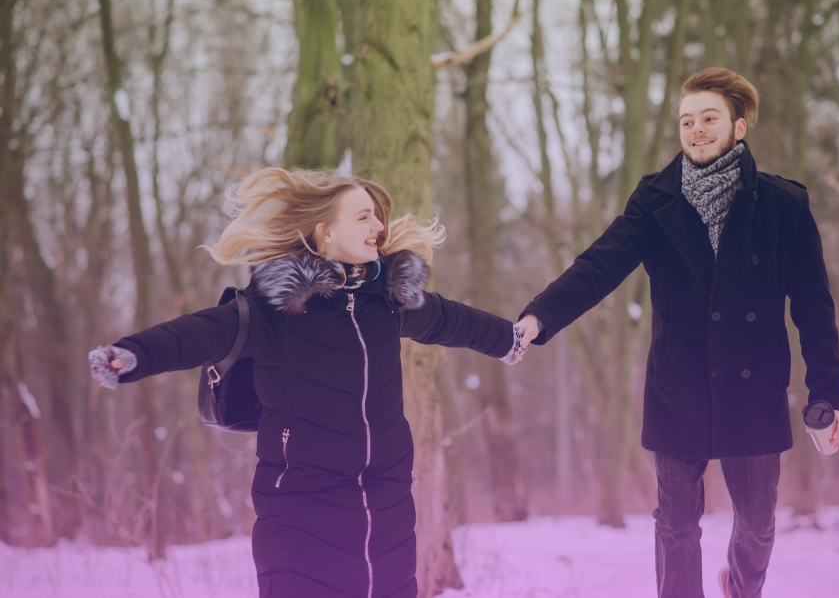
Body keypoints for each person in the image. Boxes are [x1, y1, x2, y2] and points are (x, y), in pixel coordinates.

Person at [87, 168, 526, 598]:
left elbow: (452, 320)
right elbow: (205, 331)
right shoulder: (278, 308)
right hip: (303, 509)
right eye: (362, 217)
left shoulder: (390, 300)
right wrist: (134, 354)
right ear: (325, 233)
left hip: (387, 504)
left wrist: (509, 338)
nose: (378, 226)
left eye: (377, 216)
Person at [516, 68, 839, 598]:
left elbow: (813, 306)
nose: (695, 129)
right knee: (674, 526)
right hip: (679, 388)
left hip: (754, 388)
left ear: (738, 128)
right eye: (686, 121)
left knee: (759, 525)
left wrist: (828, 393)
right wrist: (540, 316)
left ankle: (741, 587)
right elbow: (599, 265)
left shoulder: (785, 206)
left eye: (709, 118)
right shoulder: (655, 201)